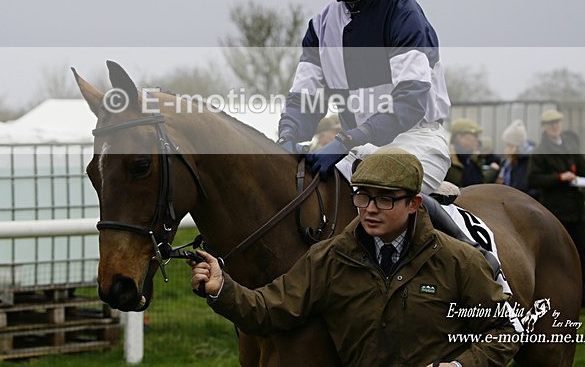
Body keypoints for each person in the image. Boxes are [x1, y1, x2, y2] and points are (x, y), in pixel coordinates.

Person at [190, 147, 518, 366]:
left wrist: (461, 366)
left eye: (385, 199)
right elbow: (269, 310)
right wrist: (223, 289)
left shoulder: (459, 260)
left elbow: (506, 331)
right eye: (363, 197)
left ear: (414, 204)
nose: (370, 210)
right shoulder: (329, 258)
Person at [276, 0, 451, 195]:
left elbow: (409, 101)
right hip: (356, 148)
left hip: (415, 141)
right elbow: (304, 100)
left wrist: (347, 140)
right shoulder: (320, 26)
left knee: (379, 199)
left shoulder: (402, 13)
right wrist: (286, 137)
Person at [527, 108, 585, 308]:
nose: (555, 127)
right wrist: (559, 178)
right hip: (557, 211)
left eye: (557, 123)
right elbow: (533, 179)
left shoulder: (571, 144)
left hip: (577, 210)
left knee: (583, 255)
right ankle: (559, 296)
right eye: (550, 124)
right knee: (559, 257)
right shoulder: (540, 151)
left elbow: (583, 165)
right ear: (544, 127)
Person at [496, 119, 538, 199]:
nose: (506, 146)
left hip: (524, 202)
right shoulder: (510, 160)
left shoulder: (529, 159)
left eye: (508, 144)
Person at [445, 118, 487, 187]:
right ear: (459, 137)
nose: (477, 140)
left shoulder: (474, 161)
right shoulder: (447, 163)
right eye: (474, 136)